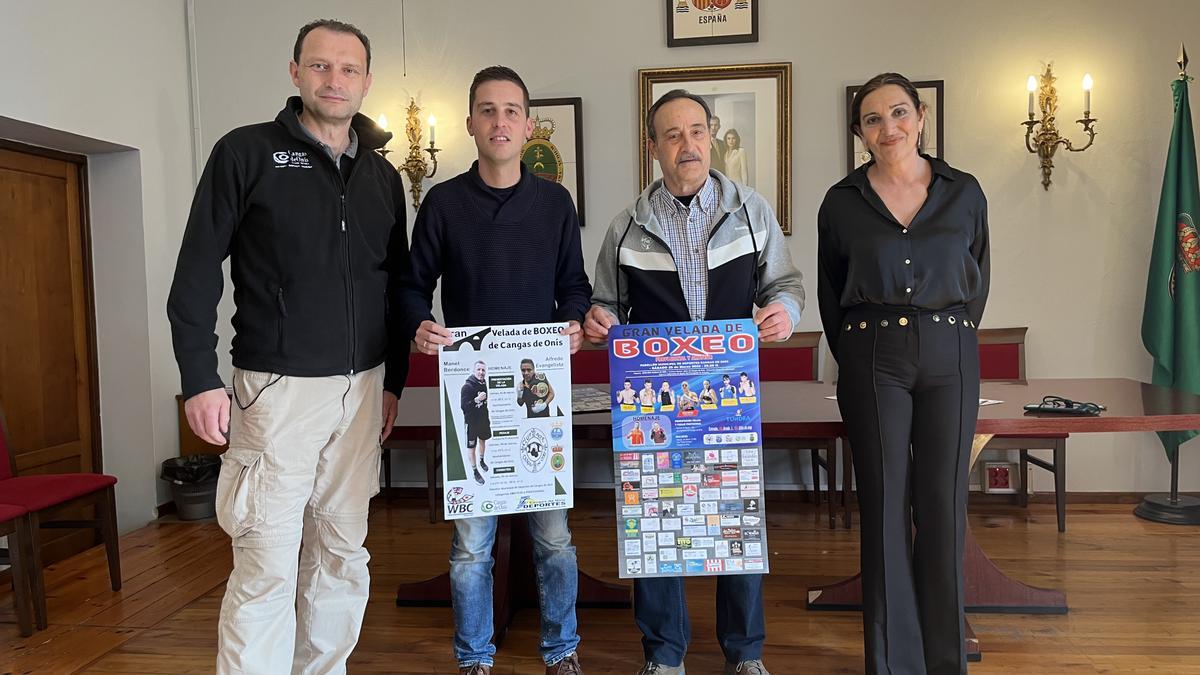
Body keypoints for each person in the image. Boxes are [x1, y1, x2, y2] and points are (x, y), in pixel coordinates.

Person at [166, 19, 408, 674]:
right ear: (295, 71)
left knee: (341, 555)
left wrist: (393, 384)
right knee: (266, 562)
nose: (335, 80)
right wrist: (199, 375)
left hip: (362, 392)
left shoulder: (383, 177)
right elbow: (193, 275)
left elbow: (398, 288)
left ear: (366, 81)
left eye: (349, 68)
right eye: (321, 66)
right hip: (276, 391)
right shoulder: (245, 153)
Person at [584, 88, 804, 675]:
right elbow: (605, 304)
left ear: (712, 137)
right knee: (656, 524)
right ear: (653, 146)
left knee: (736, 526)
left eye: (698, 131)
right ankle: (663, 656)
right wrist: (600, 319)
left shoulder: (751, 211)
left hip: (730, 402)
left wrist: (786, 312)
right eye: (674, 134)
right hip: (655, 407)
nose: (689, 144)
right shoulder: (626, 226)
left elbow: (785, 285)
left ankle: (745, 653)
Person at [397, 65, 591, 675]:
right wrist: (417, 325)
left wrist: (575, 320)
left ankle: (562, 649)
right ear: (470, 124)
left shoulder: (555, 202)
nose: (499, 121)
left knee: (554, 539)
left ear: (528, 125)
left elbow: (574, 287)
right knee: (470, 548)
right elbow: (410, 286)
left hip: (537, 392)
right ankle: (474, 657)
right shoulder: (443, 203)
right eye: (488, 110)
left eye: (511, 110)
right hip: (473, 388)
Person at [817, 72, 989, 675]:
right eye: (872, 119)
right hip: (871, 356)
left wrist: (948, 337)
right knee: (886, 507)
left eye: (897, 113)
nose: (887, 128)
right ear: (860, 133)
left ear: (919, 117)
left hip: (951, 354)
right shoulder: (841, 202)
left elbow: (977, 281)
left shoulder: (964, 192)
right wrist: (863, 357)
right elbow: (832, 295)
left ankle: (945, 664)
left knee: (942, 506)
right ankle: (893, 664)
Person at [461, 361, 492, 484]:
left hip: (483, 420)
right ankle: (475, 471)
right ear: (474, 371)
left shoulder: (484, 383)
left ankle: (482, 460)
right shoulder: (467, 387)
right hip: (472, 422)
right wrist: (476, 400)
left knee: (483, 440)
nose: (481, 372)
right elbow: (464, 407)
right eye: (479, 369)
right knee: (471, 447)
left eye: (483, 370)